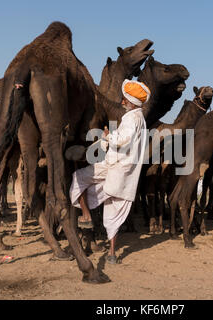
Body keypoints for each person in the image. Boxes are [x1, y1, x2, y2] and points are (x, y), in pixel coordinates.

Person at [69, 79, 149, 264]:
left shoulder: (131, 118)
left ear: (131, 102)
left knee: (78, 177)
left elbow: (122, 140)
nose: (122, 102)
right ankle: (112, 254)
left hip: (114, 166)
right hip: (125, 174)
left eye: (124, 100)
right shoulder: (141, 119)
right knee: (113, 213)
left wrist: (107, 135)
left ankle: (86, 214)